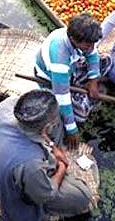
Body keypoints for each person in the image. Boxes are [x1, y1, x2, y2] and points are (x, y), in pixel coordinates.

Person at [0, 89, 93, 221]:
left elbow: (43, 131)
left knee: (57, 122)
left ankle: (51, 150)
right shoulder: (31, 164)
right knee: (82, 196)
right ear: (45, 127)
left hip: (10, 154)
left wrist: (53, 146)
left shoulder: (6, 105)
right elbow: (45, 195)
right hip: (15, 188)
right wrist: (62, 167)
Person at [34, 12, 111, 149]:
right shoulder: (59, 60)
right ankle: (82, 97)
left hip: (72, 69)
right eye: (88, 45)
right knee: (80, 116)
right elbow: (62, 97)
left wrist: (93, 82)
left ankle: (84, 88)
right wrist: (72, 129)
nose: (91, 48)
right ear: (73, 39)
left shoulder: (82, 40)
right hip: (53, 81)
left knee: (107, 61)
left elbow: (92, 55)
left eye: (93, 44)